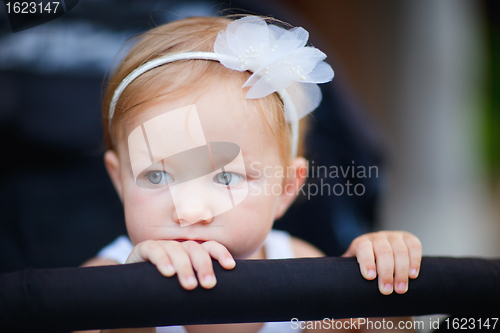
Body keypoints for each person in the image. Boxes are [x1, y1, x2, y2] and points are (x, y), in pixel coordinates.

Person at [82, 15, 422, 332]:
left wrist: (378, 281)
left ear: (285, 189)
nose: (190, 211)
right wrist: (129, 297)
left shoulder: (299, 268)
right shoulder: (101, 280)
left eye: (226, 178)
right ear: (120, 180)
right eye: (157, 177)